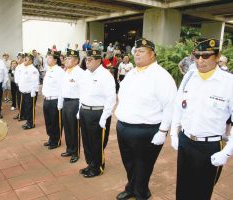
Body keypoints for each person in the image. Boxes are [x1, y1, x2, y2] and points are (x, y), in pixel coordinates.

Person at [170, 38, 233, 200]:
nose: (200, 60)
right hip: (185, 140)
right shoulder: (190, 77)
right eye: (196, 56)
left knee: (201, 192)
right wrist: (173, 134)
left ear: (218, 56)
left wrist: (226, 152)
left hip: (210, 146)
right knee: (182, 189)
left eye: (205, 56)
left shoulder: (228, 83)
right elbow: (178, 106)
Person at [115, 38, 177, 200]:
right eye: (135, 51)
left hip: (146, 130)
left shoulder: (161, 76)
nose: (136, 54)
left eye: (141, 51)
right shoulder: (132, 73)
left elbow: (170, 105)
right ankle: (131, 188)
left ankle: (141, 193)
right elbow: (121, 96)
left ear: (153, 55)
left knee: (143, 166)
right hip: (124, 127)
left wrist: (163, 131)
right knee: (129, 163)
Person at [78, 50, 116, 178]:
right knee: (87, 141)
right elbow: (82, 94)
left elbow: (111, 98)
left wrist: (105, 117)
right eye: (86, 59)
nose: (87, 62)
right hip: (85, 111)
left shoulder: (106, 75)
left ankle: (98, 167)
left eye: (90, 60)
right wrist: (80, 110)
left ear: (99, 60)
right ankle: (90, 164)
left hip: (98, 113)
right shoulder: (85, 74)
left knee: (97, 142)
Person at [60, 49, 84, 163]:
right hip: (66, 102)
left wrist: (80, 108)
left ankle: (75, 152)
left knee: (74, 129)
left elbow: (83, 92)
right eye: (66, 58)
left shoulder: (80, 73)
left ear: (76, 61)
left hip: (75, 103)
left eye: (69, 58)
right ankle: (69, 149)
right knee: (67, 128)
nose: (66, 60)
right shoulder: (67, 72)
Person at [42, 50, 65, 149]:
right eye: (47, 57)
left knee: (55, 122)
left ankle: (56, 140)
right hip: (47, 99)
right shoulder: (49, 70)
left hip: (55, 100)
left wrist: (60, 103)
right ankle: (51, 138)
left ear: (56, 60)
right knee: (48, 121)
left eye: (50, 57)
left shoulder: (59, 71)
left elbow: (61, 88)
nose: (48, 59)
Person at [18, 54, 39, 130]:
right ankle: (28, 121)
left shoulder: (33, 70)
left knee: (30, 109)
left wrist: (33, 91)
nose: (24, 60)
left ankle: (31, 123)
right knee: (26, 108)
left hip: (30, 92)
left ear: (31, 61)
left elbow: (35, 82)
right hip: (24, 92)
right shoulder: (24, 68)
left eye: (26, 59)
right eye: (24, 59)